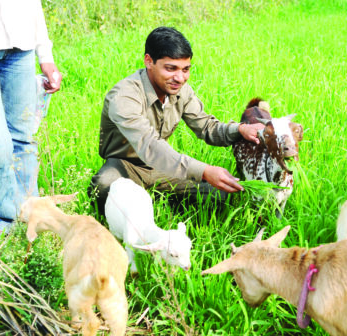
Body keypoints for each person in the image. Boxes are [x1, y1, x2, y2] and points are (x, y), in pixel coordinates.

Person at [89, 26, 263, 215]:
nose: (180, 78)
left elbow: (207, 127)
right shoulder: (124, 95)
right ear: (149, 61)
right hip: (125, 165)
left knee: (218, 194)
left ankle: (160, 203)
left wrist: (240, 130)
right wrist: (204, 171)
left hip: (162, 166)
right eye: (171, 68)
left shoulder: (181, 91)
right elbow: (149, 145)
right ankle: (140, 204)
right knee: (103, 187)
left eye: (185, 69)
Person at [0, 0, 62, 242]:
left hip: (22, 47)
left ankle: (31, 214)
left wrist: (45, 54)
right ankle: (4, 219)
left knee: (23, 138)